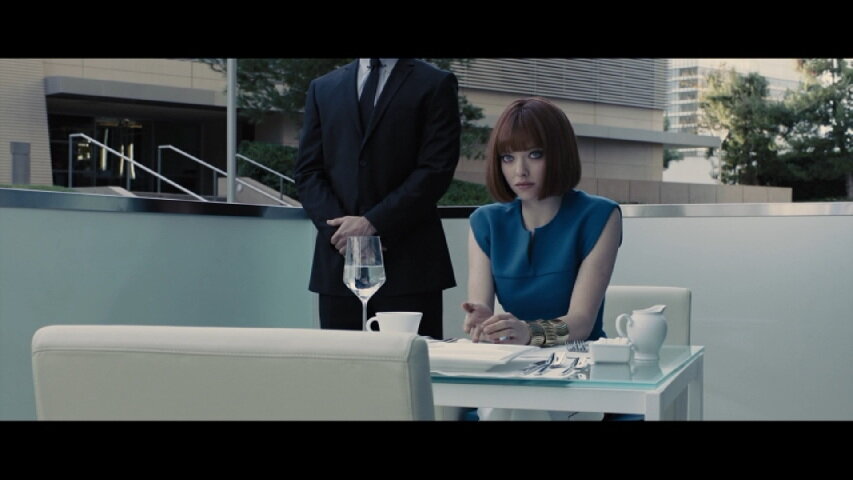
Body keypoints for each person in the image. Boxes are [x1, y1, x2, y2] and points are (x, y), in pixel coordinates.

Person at [461, 97, 622, 420]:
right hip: (515, 363)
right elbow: (481, 312)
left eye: (535, 154)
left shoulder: (600, 215)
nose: (519, 171)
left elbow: (581, 323)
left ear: (559, 153)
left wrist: (529, 333)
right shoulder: (485, 222)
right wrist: (484, 325)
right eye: (508, 158)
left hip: (580, 360)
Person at [295, 59, 460, 340]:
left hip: (409, 268)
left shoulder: (435, 83)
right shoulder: (322, 88)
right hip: (338, 267)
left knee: (409, 364)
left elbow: (436, 169)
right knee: (342, 364)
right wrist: (343, 233)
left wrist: (373, 223)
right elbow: (308, 172)